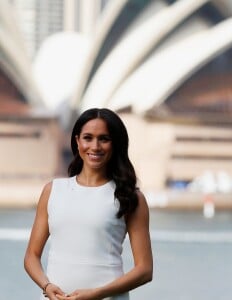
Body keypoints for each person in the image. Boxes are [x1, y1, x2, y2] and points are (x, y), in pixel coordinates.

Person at [24, 108, 153, 300]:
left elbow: (145, 270)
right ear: (77, 141)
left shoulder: (130, 197)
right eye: (88, 138)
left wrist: (98, 293)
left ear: (115, 144)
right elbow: (31, 256)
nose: (95, 146)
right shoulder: (53, 191)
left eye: (104, 139)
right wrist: (47, 286)